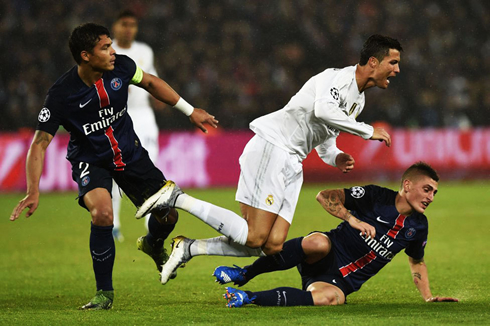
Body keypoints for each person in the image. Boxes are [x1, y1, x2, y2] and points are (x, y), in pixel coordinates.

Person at [136, 34, 401, 284]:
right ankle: (177, 198)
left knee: (271, 245)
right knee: (254, 236)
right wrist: (367, 131)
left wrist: (336, 156)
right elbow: (323, 110)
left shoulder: (359, 101)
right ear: (373, 62)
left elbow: (325, 139)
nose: (397, 70)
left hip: (293, 162)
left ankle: (190, 247)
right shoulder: (336, 79)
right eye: (393, 62)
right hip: (273, 146)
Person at [9, 23, 218, 310]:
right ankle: (104, 293)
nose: (113, 52)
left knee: (168, 217)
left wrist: (190, 110)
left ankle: (152, 243)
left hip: (129, 153)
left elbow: (151, 83)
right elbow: (39, 142)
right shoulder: (60, 94)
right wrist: (33, 190)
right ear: (85, 55)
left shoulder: (121, 68)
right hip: (90, 160)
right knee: (103, 214)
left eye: (111, 45)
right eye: (105, 48)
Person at [215, 161, 459, 307]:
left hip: (340, 282)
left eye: (434, 193)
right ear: (407, 185)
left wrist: (428, 297)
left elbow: (416, 260)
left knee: (331, 300)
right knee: (318, 242)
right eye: (427, 190)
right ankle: (244, 273)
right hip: (326, 253)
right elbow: (325, 195)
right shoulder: (375, 196)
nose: (430, 197)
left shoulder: (419, 226)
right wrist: (352, 219)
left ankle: (246, 297)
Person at [110, 10, 164, 242]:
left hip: (144, 116)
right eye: (124, 24)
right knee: (115, 170)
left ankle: (151, 223)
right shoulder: (107, 50)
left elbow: (151, 79)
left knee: (150, 167)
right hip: (117, 117)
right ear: (116, 26)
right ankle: (113, 224)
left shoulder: (144, 51)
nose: (129, 29)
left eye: (133, 24)